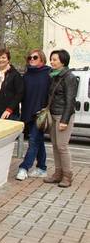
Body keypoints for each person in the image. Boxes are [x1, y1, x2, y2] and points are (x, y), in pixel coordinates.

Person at [43, 49, 78, 188]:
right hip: (53, 114)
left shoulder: (70, 77)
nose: (52, 62)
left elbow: (70, 100)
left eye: (55, 59)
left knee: (62, 146)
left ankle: (67, 176)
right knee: (56, 147)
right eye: (51, 59)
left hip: (63, 115)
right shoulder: (54, 75)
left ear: (63, 61)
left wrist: (64, 120)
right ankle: (58, 174)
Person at [16, 49, 51, 181]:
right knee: (38, 141)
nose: (31, 59)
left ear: (41, 59)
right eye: (29, 57)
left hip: (41, 114)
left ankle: (24, 167)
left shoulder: (49, 74)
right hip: (27, 112)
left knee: (33, 140)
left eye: (35, 57)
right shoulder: (26, 75)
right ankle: (42, 167)